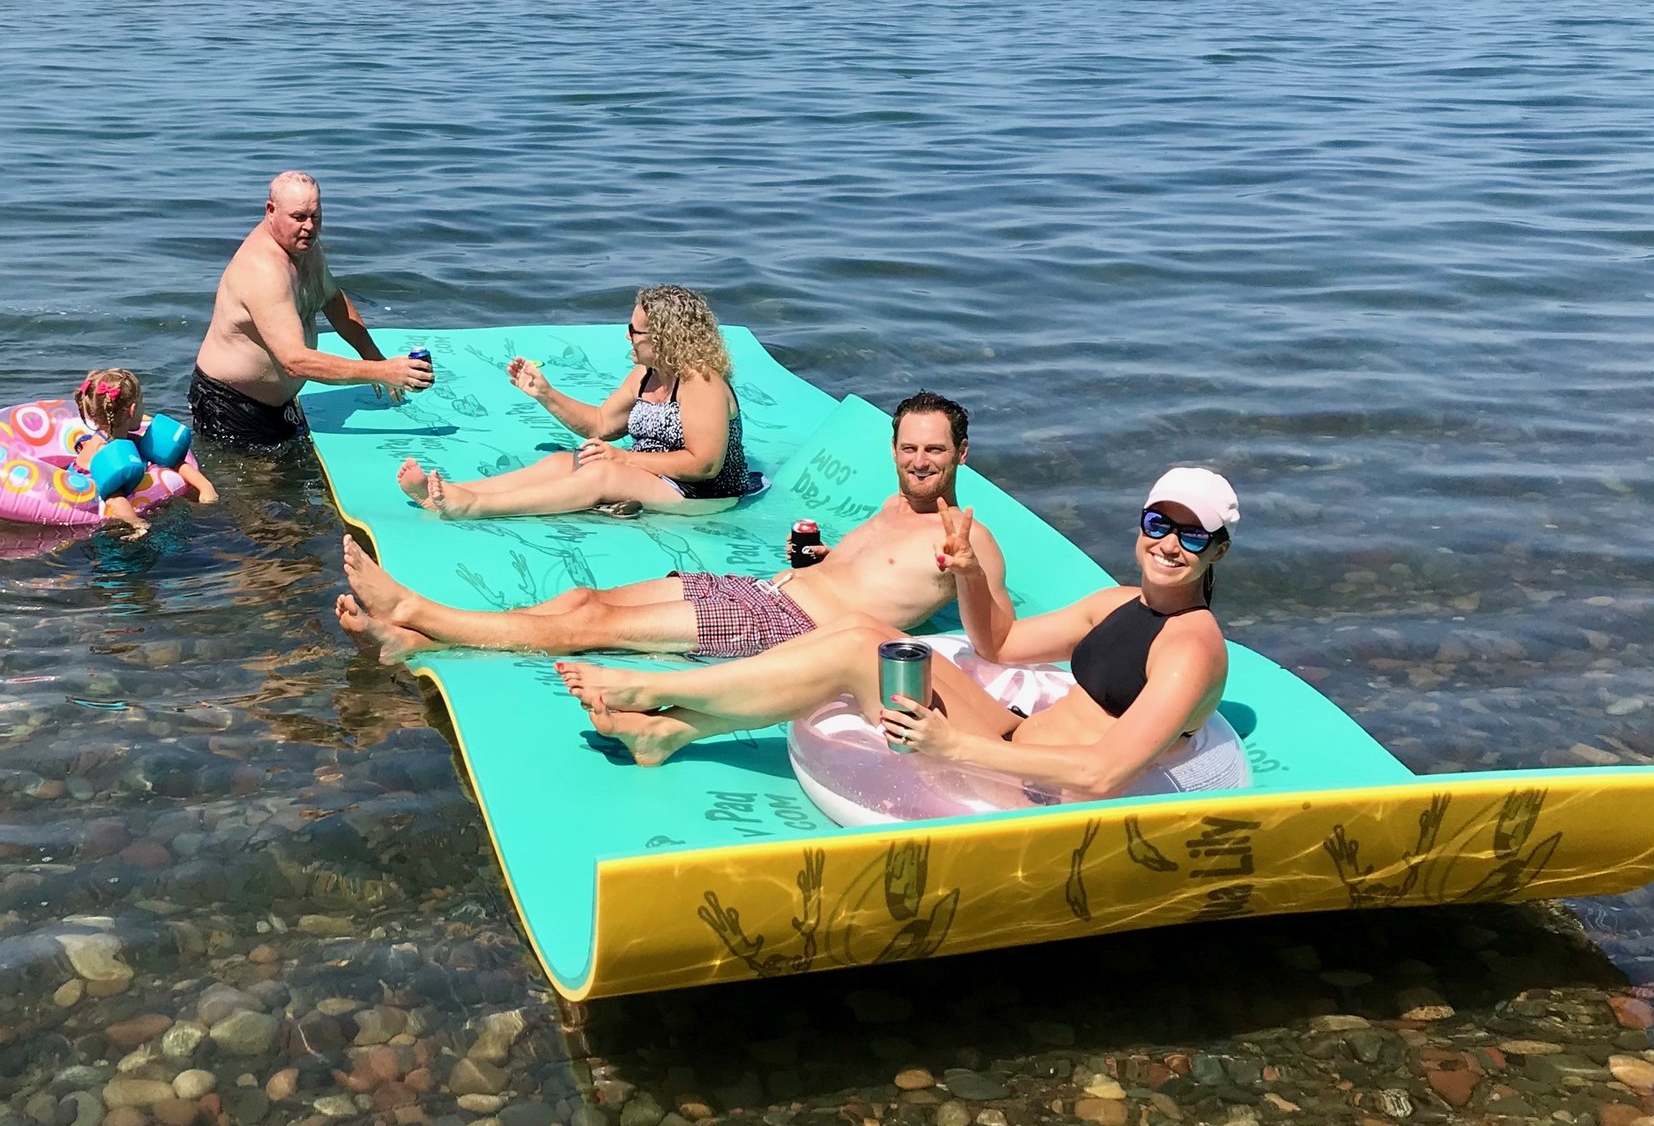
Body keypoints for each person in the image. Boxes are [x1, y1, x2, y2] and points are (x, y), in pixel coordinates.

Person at [570, 467, 1242, 795]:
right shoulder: (1120, 602)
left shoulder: (1191, 644)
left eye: (1192, 534)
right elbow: (997, 646)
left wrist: (953, 745)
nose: (1169, 544)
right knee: (868, 629)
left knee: (860, 649)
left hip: (1036, 787)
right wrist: (970, 573)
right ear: (1141, 527)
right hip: (1010, 730)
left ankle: (652, 690)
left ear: (1217, 550)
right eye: (1159, 524)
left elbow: (1100, 771)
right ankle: (672, 729)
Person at [338, 391, 1009, 662]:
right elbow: (874, 579)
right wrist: (818, 558)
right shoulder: (892, 507)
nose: (920, 461)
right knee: (584, 600)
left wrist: (972, 574)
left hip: (786, 632)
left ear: (961, 453)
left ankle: (417, 609)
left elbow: (998, 638)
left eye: (936, 450)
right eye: (910, 447)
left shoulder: (969, 539)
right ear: (894, 448)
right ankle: (419, 640)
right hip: (763, 590)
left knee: (594, 626)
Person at [399, 286, 753, 518]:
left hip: (705, 493)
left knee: (600, 472)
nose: (627, 336)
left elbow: (704, 464)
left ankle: (475, 506)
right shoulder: (648, 373)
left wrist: (624, 458)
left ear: (664, 337)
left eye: (635, 331)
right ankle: (449, 491)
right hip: (656, 475)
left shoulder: (699, 381)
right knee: (562, 462)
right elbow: (601, 423)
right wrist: (546, 394)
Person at [190, 172, 431, 449]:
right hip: (230, 405)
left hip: (279, 403)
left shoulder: (306, 247)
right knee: (262, 489)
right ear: (271, 211)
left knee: (290, 481)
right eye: (298, 217)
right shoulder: (263, 271)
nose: (309, 227)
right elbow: (295, 361)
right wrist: (383, 372)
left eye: (315, 217)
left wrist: (373, 355)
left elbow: (332, 300)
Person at [70, 366, 218, 535]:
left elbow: (172, 461)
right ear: (133, 410)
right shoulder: (106, 451)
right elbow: (114, 497)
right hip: (93, 499)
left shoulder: (126, 439)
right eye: (142, 403)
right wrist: (137, 524)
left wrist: (205, 486)